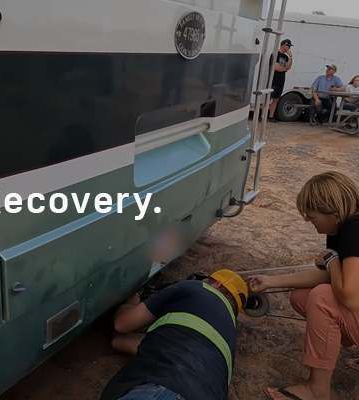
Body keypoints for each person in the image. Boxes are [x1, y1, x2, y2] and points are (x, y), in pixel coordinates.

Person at [248, 171, 359, 400]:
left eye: (312, 218)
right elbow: (333, 277)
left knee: (322, 299)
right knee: (303, 297)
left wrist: (329, 259)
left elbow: (349, 296)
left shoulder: (355, 229)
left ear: (335, 214)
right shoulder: (344, 224)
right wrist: (270, 281)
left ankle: (316, 391)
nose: (309, 222)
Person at [99, 269, 249, 400]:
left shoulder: (198, 288)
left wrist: (132, 302)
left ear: (217, 284)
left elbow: (122, 324)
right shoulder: (228, 336)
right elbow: (120, 342)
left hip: (166, 389)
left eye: (205, 279)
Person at [264, 39, 294, 123]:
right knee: (268, 99)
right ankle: (263, 116)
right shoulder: (275, 54)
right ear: (284, 45)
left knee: (276, 99)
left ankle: (271, 116)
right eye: (288, 46)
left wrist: (291, 56)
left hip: (281, 80)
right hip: (273, 80)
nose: (289, 48)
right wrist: (283, 68)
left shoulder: (285, 57)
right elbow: (276, 68)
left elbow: (288, 67)